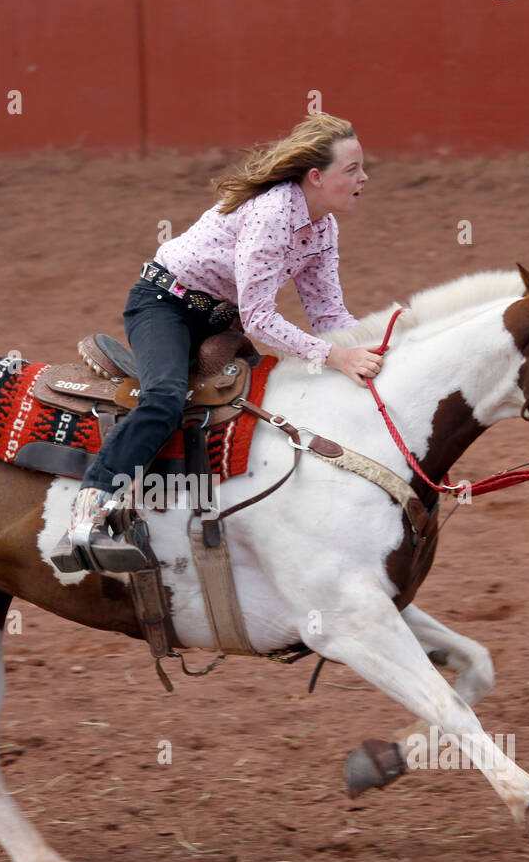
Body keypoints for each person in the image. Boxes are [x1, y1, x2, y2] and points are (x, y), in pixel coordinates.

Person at [49, 112, 383, 574]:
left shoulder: (323, 228)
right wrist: (337, 356)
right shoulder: (272, 213)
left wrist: (377, 345)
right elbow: (261, 318)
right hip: (164, 305)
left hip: (218, 320)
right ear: (315, 177)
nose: (364, 177)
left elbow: (328, 316)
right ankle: (87, 518)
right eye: (352, 169)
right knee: (165, 398)